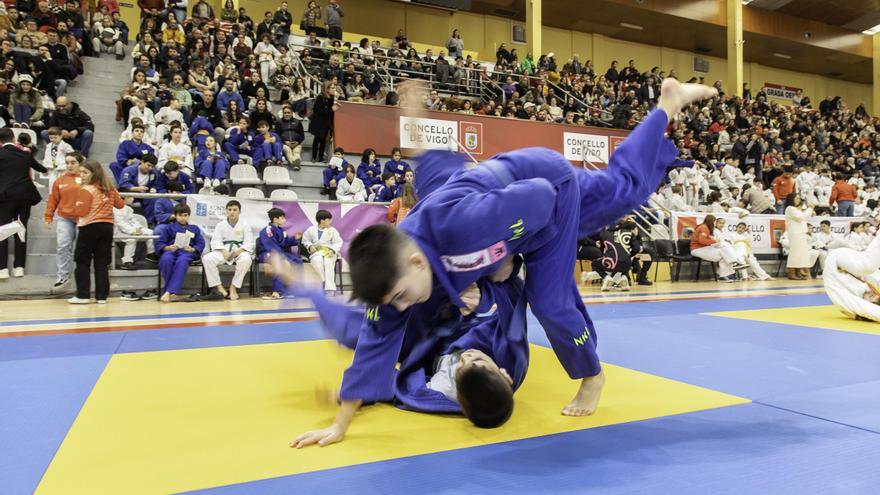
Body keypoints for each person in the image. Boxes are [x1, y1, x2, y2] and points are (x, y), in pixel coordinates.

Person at [311, 77, 717, 446]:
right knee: (624, 191)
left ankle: (591, 376)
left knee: (549, 299)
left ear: (417, 262)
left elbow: (539, 196)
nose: (402, 306)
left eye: (400, 295)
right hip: (508, 194)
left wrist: (507, 262)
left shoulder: (462, 228)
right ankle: (667, 104)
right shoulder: (401, 265)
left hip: (545, 191)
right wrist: (340, 425)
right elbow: (376, 342)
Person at [286, 261, 529, 448]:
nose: (467, 357)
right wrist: (488, 299)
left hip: (429, 334)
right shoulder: (511, 362)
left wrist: (354, 392)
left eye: (462, 367)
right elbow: (513, 314)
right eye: (478, 359)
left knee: (354, 332)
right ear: (504, 375)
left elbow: (398, 387)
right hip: (472, 312)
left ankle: (310, 291)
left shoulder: (445, 391)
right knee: (494, 273)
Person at [67, 160, 124, 304]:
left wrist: (69, 209)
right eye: (81, 172)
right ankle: (101, 297)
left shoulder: (87, 189)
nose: (82, 175)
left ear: (94, 173)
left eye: (85, 172)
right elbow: (120, 204)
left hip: (89, 227)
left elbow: (81, 211)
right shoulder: (110, 188)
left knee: (82, 261)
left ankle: (83, 295)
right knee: (102, 263)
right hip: (107, 227)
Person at [0, 127, 47, 279]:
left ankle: (2, 269)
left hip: (5, 197)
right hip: (24, 196)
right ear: (14, 138)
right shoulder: (25, 154)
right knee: (21, 229)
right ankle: (19, 267)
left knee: (3, 231)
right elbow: (42, 169)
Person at [44, 151, 83, 287]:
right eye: (67, 163)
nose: (69, 165)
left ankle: (82, 276)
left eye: (73, 163)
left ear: (80, 164)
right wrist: (48, 216)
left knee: (82, 249)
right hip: (65, 218)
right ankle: (63, 275)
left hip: (83, 219)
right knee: (62, 246)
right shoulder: (59, 180)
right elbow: (53, 200)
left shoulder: (87, 179)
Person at [202, 200, 254, 300]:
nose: (232, 212)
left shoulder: (245, 225)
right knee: (207, 258)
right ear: (226, 211)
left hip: (239, 251)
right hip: (224, 250)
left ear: (239, 211)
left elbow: (249, 243)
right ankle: (220, 288)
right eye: (229, 209)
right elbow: (215, 241)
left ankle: (233, 288)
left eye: (235, 210)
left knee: (246, 260)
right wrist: (223, 251)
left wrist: (238, 251)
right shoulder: (220, 225)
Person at [823, 235, 880, 322]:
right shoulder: (865, 289)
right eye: (876, 296)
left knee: (869, 266)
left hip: (836, 261)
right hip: (847, 261)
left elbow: (872, 311)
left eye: (872, 298)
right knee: (871, 269)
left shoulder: (847, 302)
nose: (875, 296)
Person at [156, 203, 205, 303]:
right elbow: (160, 242)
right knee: (166, 259)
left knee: (182, 261)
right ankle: (172, 293)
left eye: (185, 215)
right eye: (180, 215)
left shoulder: (194, 228)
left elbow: (201, 242)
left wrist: (192, 249)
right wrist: (168, 247)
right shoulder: (168, 228)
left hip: (186, 252)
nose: (183, 218)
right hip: (171, 250)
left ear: (188, 216)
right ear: (175, 215)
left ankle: (168, 292)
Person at [257, 207, 302, 300]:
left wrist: (294, 239)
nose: (284, 220)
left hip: (280, 253)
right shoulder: (267, 230)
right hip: (267, 253)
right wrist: (280, 256)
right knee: (279, 262)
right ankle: (277, 291)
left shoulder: (282, 230)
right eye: (282, 217)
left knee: (298, 261)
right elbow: (269, 245)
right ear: (275, 219)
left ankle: (293, 289)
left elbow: (285, 243)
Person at [690, 214, 748, 282]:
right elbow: (702, 240)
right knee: (724, 245)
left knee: (724, 255)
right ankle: (736, 262)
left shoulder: (706, 227)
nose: (714, 223)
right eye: (714, 221)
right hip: (697, 249)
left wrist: (713, 240)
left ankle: (723, 276)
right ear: (711, 221)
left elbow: (706, 239)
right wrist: (714, 241)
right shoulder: (703, 227)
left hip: (703, 248)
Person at [301, 209, 343, 295]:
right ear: (322, 220)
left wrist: (333, 250)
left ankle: (330, 289)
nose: (331, 221)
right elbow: (305, 240)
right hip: (316, 253)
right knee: (317, 261)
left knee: (327, 262)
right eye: (329, 219)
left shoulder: (332, 230)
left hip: (329, 252)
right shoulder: (311, 229)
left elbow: (338, 242)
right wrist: (310, 246)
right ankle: (322, 282)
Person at [113, 196, 155, 270]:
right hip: (118, 232)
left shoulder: (128, 209)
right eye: (131, 197)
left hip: (132, 230)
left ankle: (150, 253)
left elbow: (133, 221)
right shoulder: (115, 209)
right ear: (125, 198)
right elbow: (120, 224)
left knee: (150, 232)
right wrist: (133, 231)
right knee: (131, 239)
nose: (133, 199)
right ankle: (127, 262)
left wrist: (139, 228)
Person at [784, 192, 814, 280]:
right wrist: (810, 209)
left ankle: (799, 272)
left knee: (801, 254)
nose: (798, 200)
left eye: (799, 198)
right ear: (791, 199)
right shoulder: (790, 208)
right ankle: (791, 273)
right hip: (795, 233)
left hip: (800, 233)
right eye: (796, 198)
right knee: (795, 253)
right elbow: (801, 217)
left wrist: (808, 211)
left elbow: (803, 216)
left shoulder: (795, 209)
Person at [309, 80, 337, 163]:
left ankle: (321, 157)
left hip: (327, 124)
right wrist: (331, 109)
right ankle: (314, 157)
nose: (334, 89)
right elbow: (318, 111)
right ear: (327, 89)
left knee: (323, 141)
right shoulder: (320, 97)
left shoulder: (332, 99)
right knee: (317, 140)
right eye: (332, 88)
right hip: (319, 123)